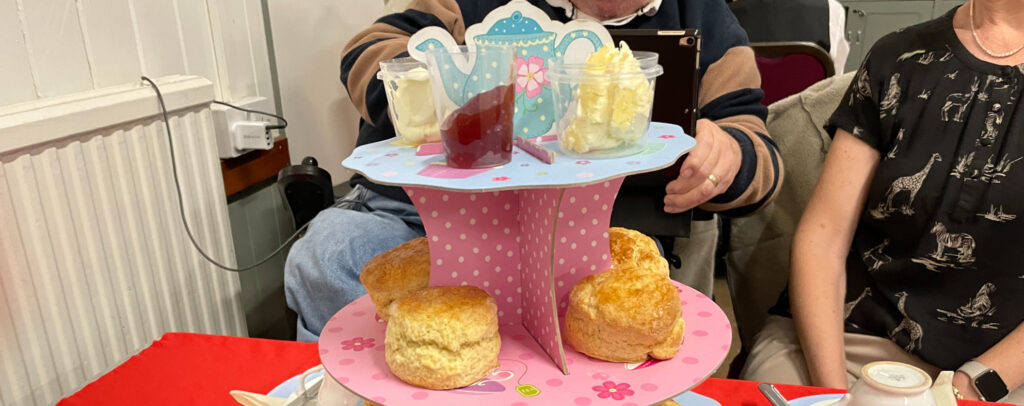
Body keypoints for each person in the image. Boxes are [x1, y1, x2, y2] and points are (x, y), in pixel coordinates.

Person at [285, 0, 783, 342]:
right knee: (329, 255)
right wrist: (438, 89)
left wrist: (729, 156)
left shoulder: (704, 16)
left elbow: (759, 151)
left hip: (606, 231)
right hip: (436, 217)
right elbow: (370, 47)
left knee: (627, 313)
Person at [741, 0, 1024, 404]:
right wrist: (834, 398)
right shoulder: (899, 56)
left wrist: (969, 389)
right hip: (849, 339)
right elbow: (823, 238)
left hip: (1001, 370)